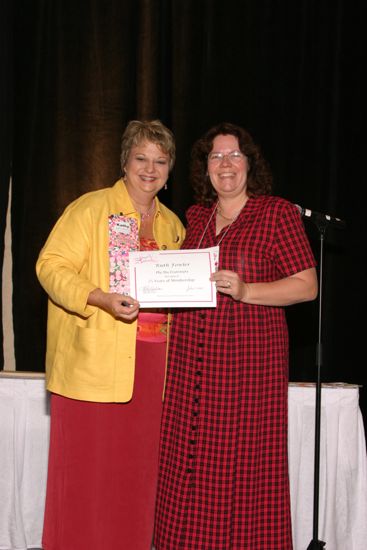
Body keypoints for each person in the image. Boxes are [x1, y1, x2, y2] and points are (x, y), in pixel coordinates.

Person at [153, 122, 318, 550]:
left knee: (243, 465)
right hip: (192, 362)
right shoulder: (196, 217)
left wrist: (247, 291)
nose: (225, 164)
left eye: (234, 155)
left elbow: (306, 285)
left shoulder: (276, 213)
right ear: (204, 168)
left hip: (248, 364)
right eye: (215, 157)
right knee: (188, 460)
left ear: (249, 163)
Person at [36, 119, 185, 550]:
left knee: (136, 479)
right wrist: (98, 297)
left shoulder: (173, 225)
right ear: (125, 161)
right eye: (141, 158)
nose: (150, 169)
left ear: (170, 168)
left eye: (160, 161)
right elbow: (50, 266)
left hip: (154, 368)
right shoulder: (90, 208)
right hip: (93, 364)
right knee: (87, 478)